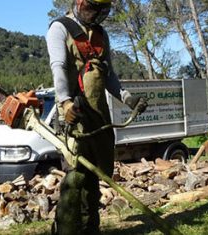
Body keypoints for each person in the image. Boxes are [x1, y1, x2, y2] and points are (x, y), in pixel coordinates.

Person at [46, 0, 146, 234]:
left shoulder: (101, 34)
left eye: (102, 11)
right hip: (74, 114)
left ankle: (90, 228)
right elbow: (58, 66)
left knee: (93, 177)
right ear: (79, 3)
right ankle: (67, 230)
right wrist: (65, 101)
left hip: (98, 115)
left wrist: (128, 99)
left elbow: (108, 75)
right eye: (92, 9)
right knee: (75, 178)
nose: (96, 15)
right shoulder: (60, 28)